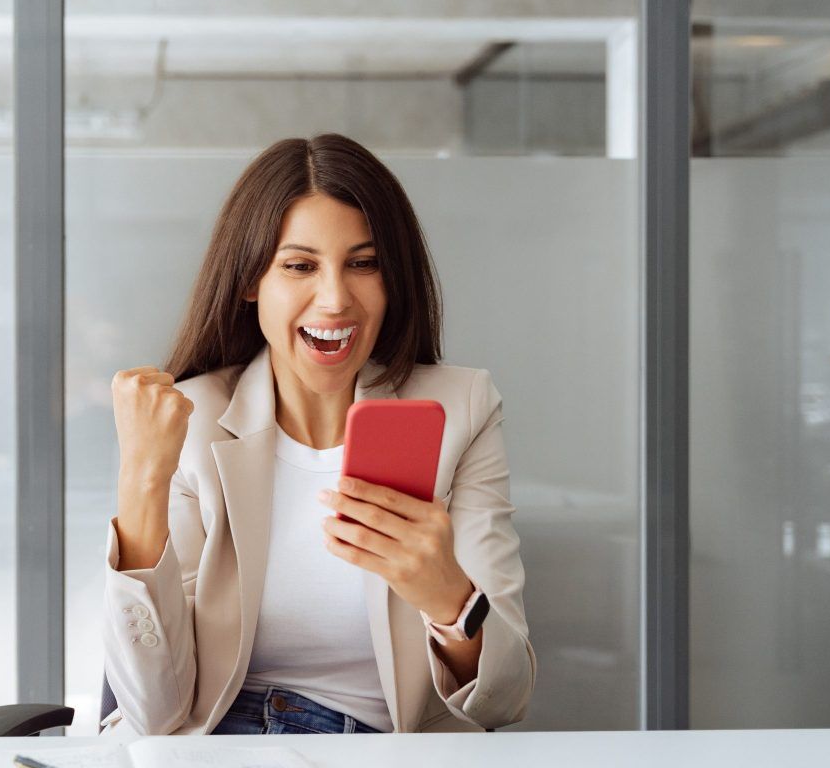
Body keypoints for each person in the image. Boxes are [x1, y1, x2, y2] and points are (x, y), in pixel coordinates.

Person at [102, 133, 534, 736]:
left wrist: (449, 601)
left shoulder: (460, 409)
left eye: (364, 263)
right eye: (300, 266)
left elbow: (503, 702)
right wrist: (141, 480)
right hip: (222, 751)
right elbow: (156, 711)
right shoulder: (191, 420)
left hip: (385, 759)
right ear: (251, 279)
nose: (334, 299)